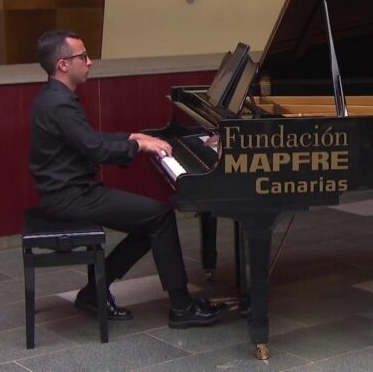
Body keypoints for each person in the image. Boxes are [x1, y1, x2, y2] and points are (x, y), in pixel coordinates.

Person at [29, 29, 226, 328]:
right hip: (71, 196)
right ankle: (182, 307)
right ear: (63, 64)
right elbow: (94, 148)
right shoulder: (59, 104)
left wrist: (129, 136)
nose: (90, 62)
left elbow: (85, 140)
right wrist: (139, 145)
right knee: (159, 217)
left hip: (69, 191)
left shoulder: (55, 97)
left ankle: (95, 291)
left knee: (150, 221)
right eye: (83, 56)